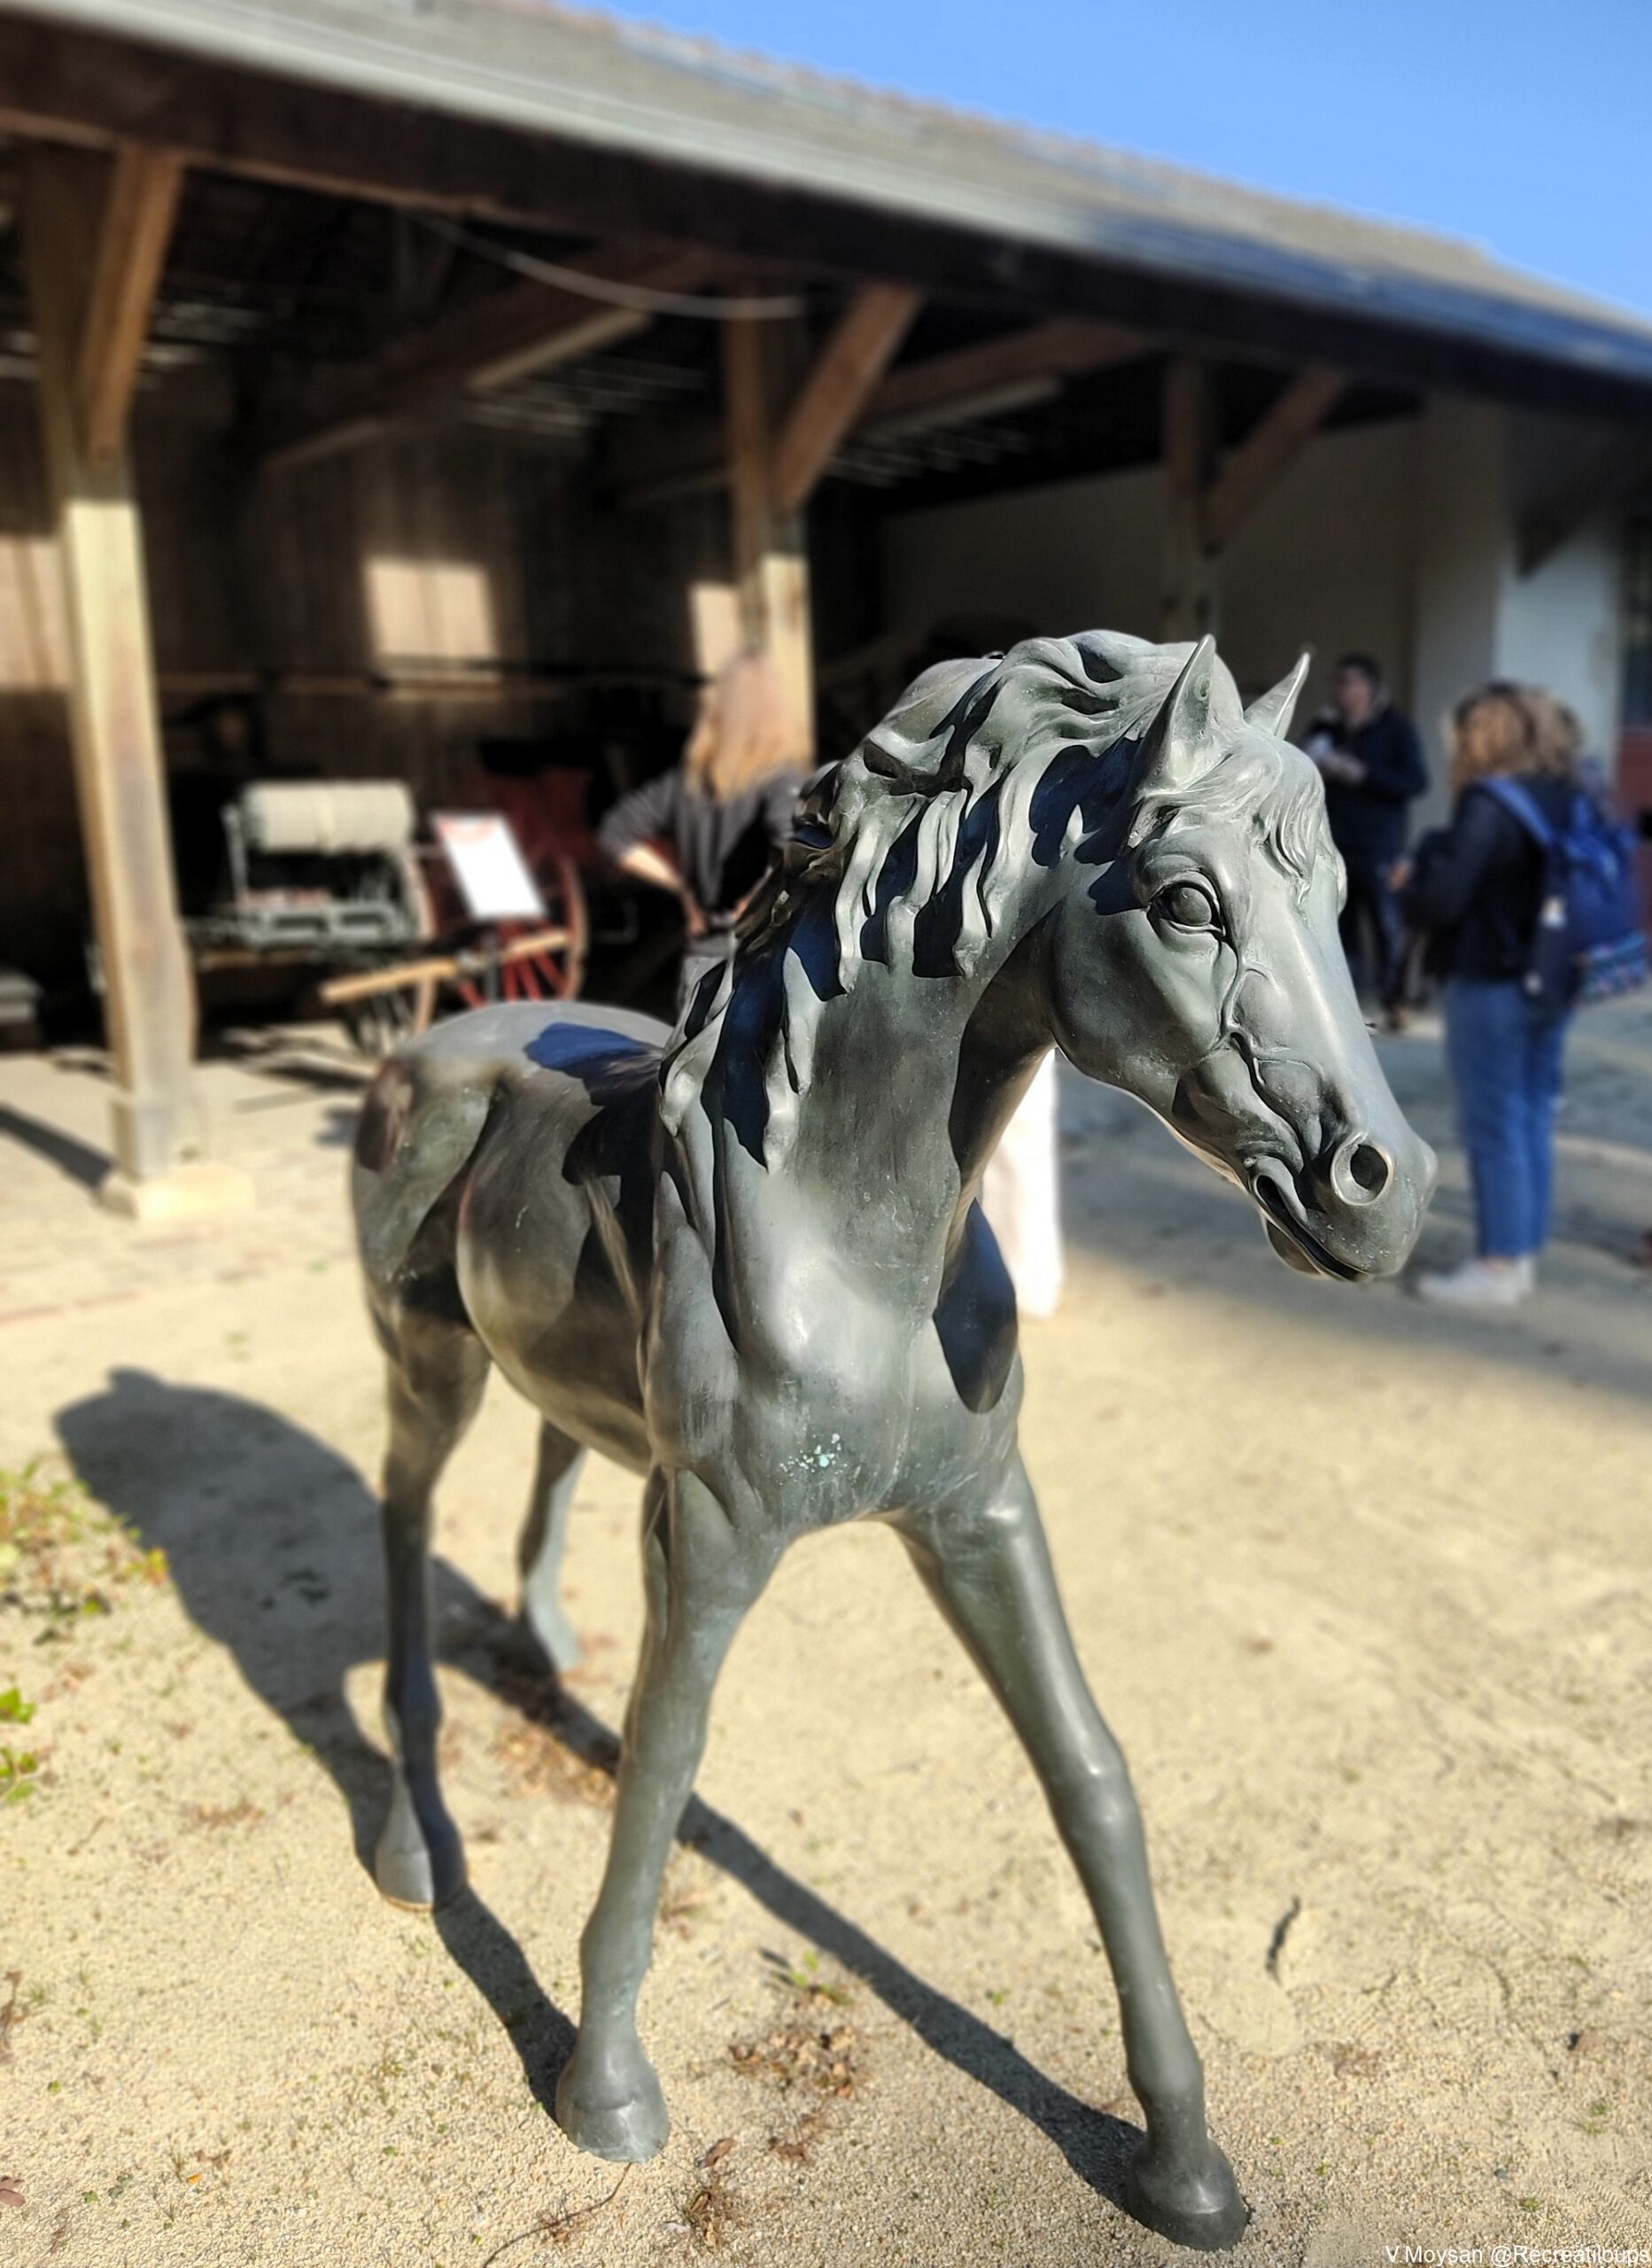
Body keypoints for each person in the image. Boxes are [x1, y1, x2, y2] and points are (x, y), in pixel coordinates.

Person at [1400, 682, 1578, 1308]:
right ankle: (1520, 1253)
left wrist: (1408, 885)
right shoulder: (1559, 794)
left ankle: (1497, 1266)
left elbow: (1439, 901)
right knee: (1531, 1116)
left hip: (1491, 983)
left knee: (1493, 1124)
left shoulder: (1488, 803)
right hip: (1552, 977)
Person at [598, 651, 806, 1010]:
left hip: (700, 963)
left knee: (690, 1048)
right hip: (758, 963)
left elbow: (614, 834)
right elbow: (793, 843)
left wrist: (680, 885)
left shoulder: (685, 784)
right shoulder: (780, 781)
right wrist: (759, 899)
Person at [1304, 654, 1427, 1018]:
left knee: (1388, 928)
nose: (1341, 691)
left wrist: (1364, 774)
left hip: (1379, 847)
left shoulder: (1396, 729)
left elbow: (1416, 781)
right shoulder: (1326, 727)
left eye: (1349, 682)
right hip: (1333, 843)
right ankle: (1345, 1006)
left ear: (1369, 688)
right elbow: (1296, 763)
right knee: (1339, 929)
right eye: (1337, 683)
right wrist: (1319, 760)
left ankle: (1395, 1003)